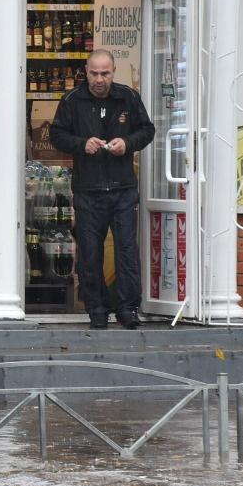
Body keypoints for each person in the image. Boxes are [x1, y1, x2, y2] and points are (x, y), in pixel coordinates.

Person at [49, 49, 156, 330]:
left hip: (123, 189)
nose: (99, 79)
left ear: (113, 71)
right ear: (86, 71)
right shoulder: (72, 100)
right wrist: (82, 144)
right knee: (90, 253)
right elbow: (56, 134)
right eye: (94, 73)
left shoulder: (128, 97)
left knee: (126, 250)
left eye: (105, 73)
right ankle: (96, 310)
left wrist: (127, 143)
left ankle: (128, 309)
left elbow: (147, 130)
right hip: (88, 190)